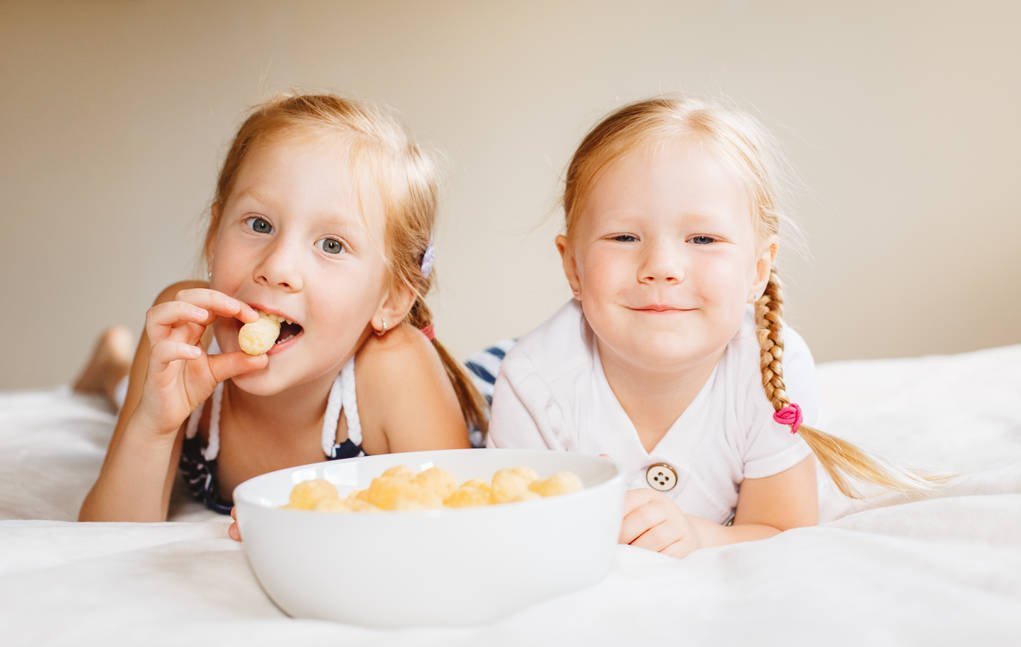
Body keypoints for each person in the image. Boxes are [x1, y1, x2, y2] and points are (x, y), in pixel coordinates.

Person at [487, 96, 938, 558]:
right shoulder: (533, 380)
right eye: (624, 237)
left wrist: (700, 536)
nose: (661, 267)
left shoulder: (769, 372)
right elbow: (515, 537)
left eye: (703, 239)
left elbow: (782, 529)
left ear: (758, 269)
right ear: (573, 267)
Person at [77, 94, 486, 535]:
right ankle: (113, 364)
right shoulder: (188, 331)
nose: (276, 268)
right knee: (131, 392)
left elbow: (453, 529)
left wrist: (316, 527)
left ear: (390, 300)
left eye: (332, 245)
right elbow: (103, 537)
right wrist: (153, 426)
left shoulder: (393, 369)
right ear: (213, 236)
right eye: (259, 224)